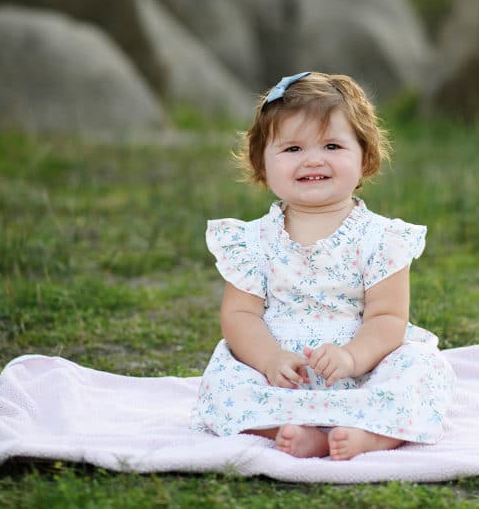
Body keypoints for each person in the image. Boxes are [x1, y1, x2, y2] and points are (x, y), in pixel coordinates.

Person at [190, 71, 455, 460]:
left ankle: (369, 434)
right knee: (226, 382)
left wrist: (352, 357)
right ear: (261, 164)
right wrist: (268, 359)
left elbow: (388, 318)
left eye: (332, 145)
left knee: (418, 368)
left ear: (365, 158)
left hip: (360, 363)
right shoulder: (251, 241)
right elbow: (240, 315)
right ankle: (289, 428)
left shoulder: (382, 239)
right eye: (293, 149)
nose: (313, 159)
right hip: (284, 370)